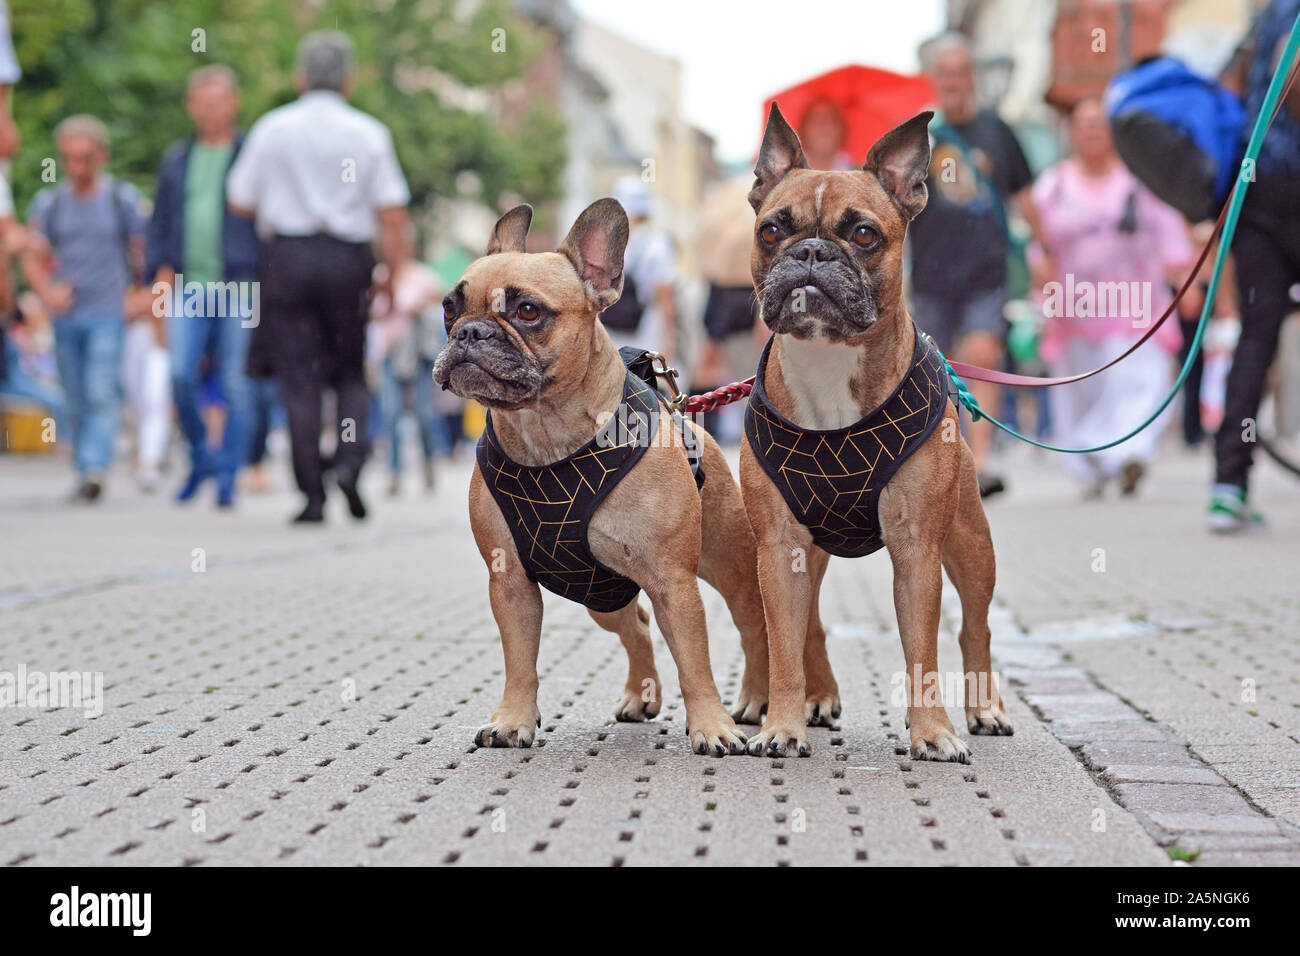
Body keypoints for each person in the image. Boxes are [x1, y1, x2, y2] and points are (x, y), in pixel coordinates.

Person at [227, 31, 411, 524]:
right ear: (349, 80)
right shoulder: (369, 133)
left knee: (298, 378)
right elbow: (392, 213)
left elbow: (239, 198)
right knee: (349, 373)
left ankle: (311, 494)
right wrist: (391, 274)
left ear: (300, 76)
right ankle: (349, 463)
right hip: (347, 261)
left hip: (286, 259)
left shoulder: (272, 128)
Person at [1029, 98, 1196, 497]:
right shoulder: (1054, 186)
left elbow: (1168, 235)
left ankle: (1128, 454)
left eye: (1099, 124)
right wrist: (1041, 279)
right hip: (1075, 309)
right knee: (1084, 390)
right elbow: (1039, 244)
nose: (1091, 131)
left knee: (1137, 378)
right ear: (1071, 133)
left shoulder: (1138, 181)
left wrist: (1187, 282)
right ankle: (1093, 463)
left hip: (1137, 305)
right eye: (1083, 124)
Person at [910, 32, 1052, 498]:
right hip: (931, 275)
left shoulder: (997, 130)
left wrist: (1045, 252)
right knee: (932, 371)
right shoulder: (920, 135)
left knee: (982, 359)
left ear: (971, 77)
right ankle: (939, 462)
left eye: (960, 72)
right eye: (944, 73)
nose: (953, 81)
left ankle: (980, 463)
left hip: (984, 272)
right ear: (936, 78)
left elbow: (1024, 194)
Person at [148, 64, 262, 508]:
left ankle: (228, 475)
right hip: (185, 283)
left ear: (234, 104)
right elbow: (160, 221)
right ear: (190, 106)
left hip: (239, 284)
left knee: (235, 382)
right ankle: (201, 458)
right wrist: (156, 271)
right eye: (203, 101)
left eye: (220, 100)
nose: (211, 110)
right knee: (179, 375)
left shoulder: (249, 152)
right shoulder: (177, 158)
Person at [21, 115, 148, 502]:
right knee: (74, 393)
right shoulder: (51, 203)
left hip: (108, 310)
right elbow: (31, 254)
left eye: (85, 158)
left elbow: (141, 249)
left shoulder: (120, 200)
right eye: (69, 159)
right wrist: (46, 292)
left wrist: (139, 294)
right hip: (67, 313)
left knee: (99, 389)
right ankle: (82, 467)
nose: (77, 167)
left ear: (102, 156)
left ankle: (96, 466)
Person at [1209, 0, 1300, 533]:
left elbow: (1234, 88)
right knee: (1257, 340)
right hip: (1286, 187)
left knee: (1255, 338)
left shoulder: (1266, 16)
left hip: (1257, 190)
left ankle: (1228, 483)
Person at [368, 248, 443, 496]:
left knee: (424, 416)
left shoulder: (422, 275)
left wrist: (417, 307)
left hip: (419, 354)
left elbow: (440, 305)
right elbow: (373, 312)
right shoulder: (380, 276)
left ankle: (428, 462)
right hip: (390, 353)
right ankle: (394, 472)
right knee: (390, 414)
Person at [601, 176, 678, 362]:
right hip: (648, 331)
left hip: (611, 333)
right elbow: (664, 294)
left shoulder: (607, 246)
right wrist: (670, 338)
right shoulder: (656, 245)